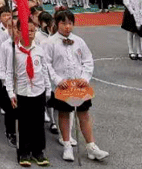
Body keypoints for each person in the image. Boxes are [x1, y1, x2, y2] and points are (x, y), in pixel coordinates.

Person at [45, 9, 109, 163]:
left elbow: (88, 60)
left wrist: (84, 78)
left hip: (79, 85)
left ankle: (91, 146)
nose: (67, 27)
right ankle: (67, 144)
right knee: (64, 114)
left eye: (70, 23)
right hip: (63, 86)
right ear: (57, 24)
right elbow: (47, 64)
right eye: (63, 23)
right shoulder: (49, 43)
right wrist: (58, 80)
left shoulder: (79, 41)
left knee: (84, 114)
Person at [0, 19, 48, 167]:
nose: (29, 34)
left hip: (38, 91)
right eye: (26, 31)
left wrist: (47, 90)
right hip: (21, 92)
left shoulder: (39, 50)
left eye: (32, 31)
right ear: (18, 32)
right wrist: (10, 93)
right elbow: (8, 73)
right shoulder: (14, 51)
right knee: (24, 123)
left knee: (38, 123)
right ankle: (24, 152)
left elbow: (44, 71)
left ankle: (38, 151)